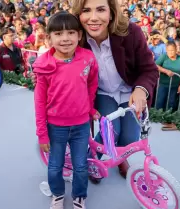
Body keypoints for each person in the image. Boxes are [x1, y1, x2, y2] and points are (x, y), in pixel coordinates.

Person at [72, 0, 159, 184]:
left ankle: (120, 158)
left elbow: (149, 69)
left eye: (100, 10)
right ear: (79, 14)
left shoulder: (131, 32)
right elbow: (56, 59)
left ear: (111, 13)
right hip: (102, 92)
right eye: (86, 10)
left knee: (130, 137)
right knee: (111, 131)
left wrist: (141, 90)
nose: (93, 18)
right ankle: (92, 158)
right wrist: (42, 76)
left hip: (129, 90)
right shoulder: (75, 37)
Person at [34, 12, 99, 209]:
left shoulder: (88, 58)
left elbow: (91, 84)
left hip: (81, 126)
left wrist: (90, 108)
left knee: (80, 166)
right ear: (49, 38)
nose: (65, 39)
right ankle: (58, 194)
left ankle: (79, 196)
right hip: (56, 127)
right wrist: (42, 134)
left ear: (79, 35)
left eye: (71, 32)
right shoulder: (44, 66)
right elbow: (39, 102)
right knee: (55, 167)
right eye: (58, 34)